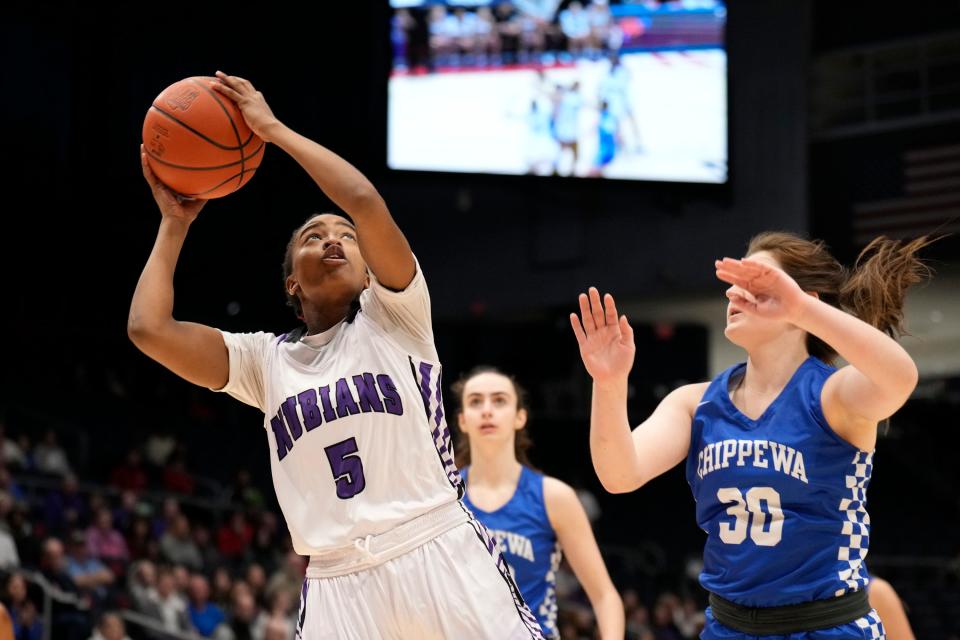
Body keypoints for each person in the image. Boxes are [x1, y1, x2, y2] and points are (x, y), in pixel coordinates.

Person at [129, 71, 544, 639]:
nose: (331, 239)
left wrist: (272, 130)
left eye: (345, 236)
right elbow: (148, 329)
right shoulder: (262, 362)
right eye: (311, 236)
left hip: (438, 546)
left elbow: (363, 200)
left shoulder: (396, 315)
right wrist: (174, 224)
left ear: (370, 267)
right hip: (337, 579)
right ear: (291, 286)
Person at [570, 232, 933, 638]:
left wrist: (800, 308)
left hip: (825, 625)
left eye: (755, 284)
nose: (734, 294)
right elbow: (619, 475)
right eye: (734, 284)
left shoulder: (832, 395)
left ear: (803, 298)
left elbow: (901, 378)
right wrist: (609, 383)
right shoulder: (694, 403)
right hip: (730, 626)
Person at [453, 366, 624, 639]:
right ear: (462, 420)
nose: (487, 410)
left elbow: (605, 596)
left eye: (499, 400)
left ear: (520, 417)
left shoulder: (554, 497)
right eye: (475, 401)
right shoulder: (444, 497)